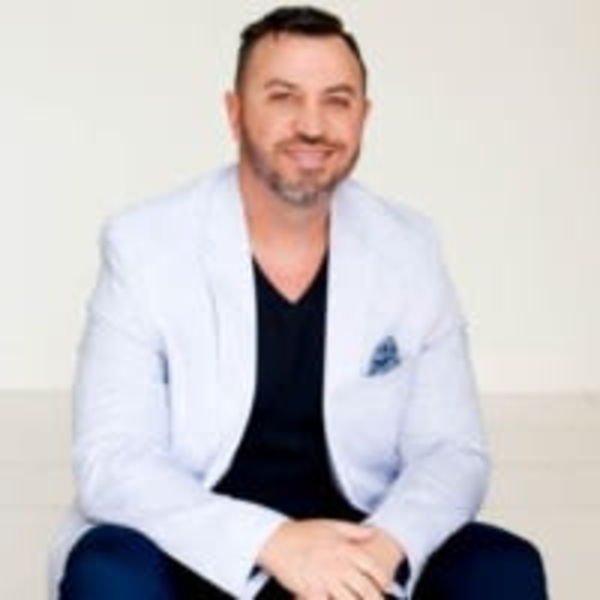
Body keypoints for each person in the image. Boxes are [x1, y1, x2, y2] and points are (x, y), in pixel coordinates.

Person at [50, 5, 548, 600]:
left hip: (357, 548)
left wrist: (385, 546)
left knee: (504, 570)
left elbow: (452, 451)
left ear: (363, 117)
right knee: (108, 574)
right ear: (235, 113)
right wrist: (275, 542)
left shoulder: (409, 247)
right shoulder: (144, 246)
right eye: (283, 97)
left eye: (337, 101)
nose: (312, 126)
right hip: (203, 550)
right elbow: (114, 460)